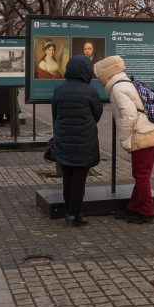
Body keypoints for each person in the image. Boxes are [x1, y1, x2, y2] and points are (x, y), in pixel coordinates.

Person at [94, 55, 154, 223]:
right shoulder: (125, 84)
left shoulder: (118, 89)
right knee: (141, 173)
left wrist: (125, 138)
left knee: (141, 174)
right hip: (148, 131)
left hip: (142, 134)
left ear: (106, 74)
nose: (98, 80)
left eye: (99, 75)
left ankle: (147, 212)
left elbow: (128, 116)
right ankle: (135, 207)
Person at [50, 55, 102, 227]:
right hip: (84, 141)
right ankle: (75, 214)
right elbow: (97, 114)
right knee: (79, 178)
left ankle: (68, 212)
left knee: (68, 177)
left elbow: (55, 114)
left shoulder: (59, 90)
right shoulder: (91, 91)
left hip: (64, 139)